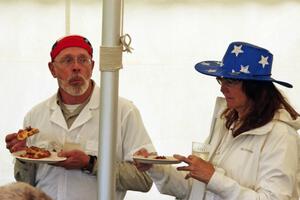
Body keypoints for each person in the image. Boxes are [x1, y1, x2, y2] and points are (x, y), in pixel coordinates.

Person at [135, 41, 300, 200]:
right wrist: (154, 168)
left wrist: (213, 178)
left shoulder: (281, 136)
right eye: (221, 80)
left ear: (255, 87)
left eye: (231, 81)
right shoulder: (226, 122)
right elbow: (194, 188)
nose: (222, 88)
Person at [5, 35, 155, 200]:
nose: (76, 67)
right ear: (52, 69)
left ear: (92, 67)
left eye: (83, 60)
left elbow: (144, 179)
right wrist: (23, 156)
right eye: (67, 60)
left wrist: (91, 164)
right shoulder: (36, 115)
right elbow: (25, 182)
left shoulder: (122, 111)